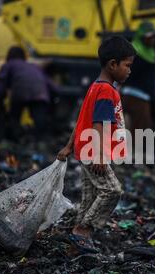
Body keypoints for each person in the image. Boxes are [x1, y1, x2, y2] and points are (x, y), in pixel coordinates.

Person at [56, 36, 136, 253]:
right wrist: (100, 154)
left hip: (85, 149)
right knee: (112, 190)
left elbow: (81, 120)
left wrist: (69, 146)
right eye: (127, 65)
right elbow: (98, 123)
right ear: (113, 64)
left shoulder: (95, 87)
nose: (129, 71)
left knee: (89, 197)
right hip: (93, 151)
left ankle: (76, 240)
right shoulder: (106, 91)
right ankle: (83, 230)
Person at [0, 46, 60, 141]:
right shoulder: (34, 66)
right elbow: (53, 86)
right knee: (40, 122)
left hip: (20, 92)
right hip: (40, 93)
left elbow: (1, 87)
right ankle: (43, 143)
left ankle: (15, 139)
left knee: (14, 117)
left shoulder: (9, 65)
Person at [121, 21, 155, 135]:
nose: (153, 40)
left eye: (154, 37)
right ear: (142, 37)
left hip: (141, 97)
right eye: (150, 37)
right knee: (142, 131)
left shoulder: (150, 53)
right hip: (135, 97)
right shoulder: (135, 53)